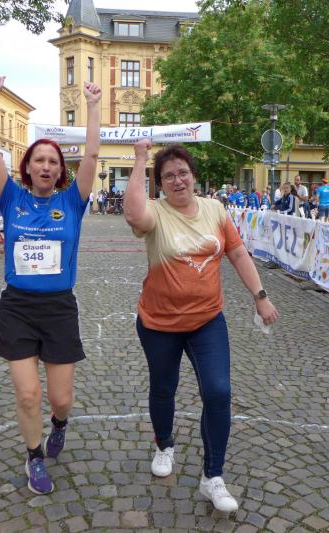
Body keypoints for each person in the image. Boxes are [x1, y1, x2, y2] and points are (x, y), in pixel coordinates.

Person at [123, 140, 279, 513]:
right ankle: (164, 445)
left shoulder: (215, 210)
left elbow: (237, 252)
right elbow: (133, 215)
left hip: (207, 320)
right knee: (164, 388)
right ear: (160, 183)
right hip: (159, 322)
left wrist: (260, 296)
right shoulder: (156, 213)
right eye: (168, 176)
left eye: (183, 173)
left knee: (218, 392)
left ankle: (213, 477)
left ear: (193, 176)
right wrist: (141, 158)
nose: (178, 180)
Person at [0, 75, 102, 495]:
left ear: (60, 170)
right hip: (17, 307)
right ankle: (34, 456)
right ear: (28, 167)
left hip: (59, 308)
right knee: (28, 394)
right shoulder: (11, 197)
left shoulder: (72, 201)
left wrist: (92, 106)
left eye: (53, 161)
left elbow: (92, 154)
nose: (47, 166)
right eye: (39, 160)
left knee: (61, 398)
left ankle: (60, 424)